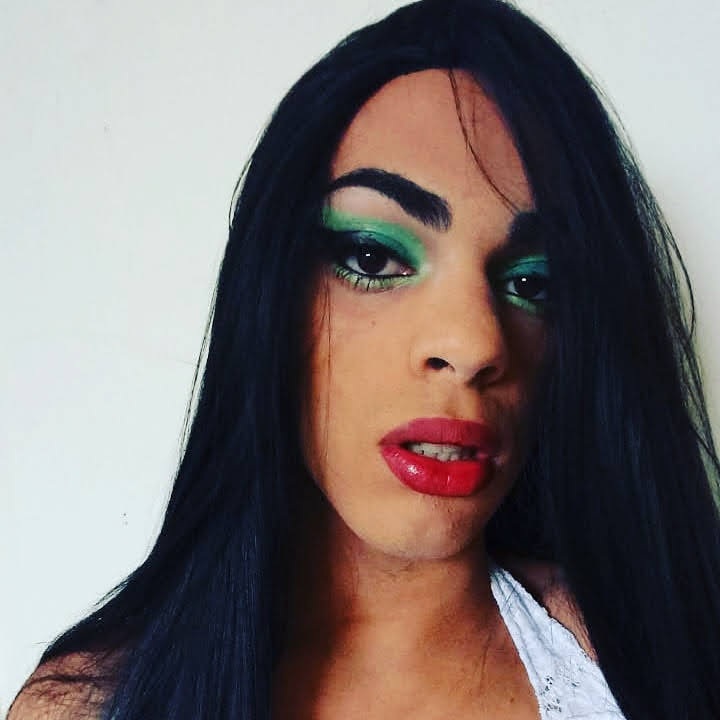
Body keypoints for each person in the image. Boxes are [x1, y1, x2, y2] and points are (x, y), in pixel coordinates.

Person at [10, 0, 720, 718]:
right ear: (272, 296)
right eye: (374, 258)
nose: (474, 344)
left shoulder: (657, 661)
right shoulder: (89, 706)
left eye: (533, 283)